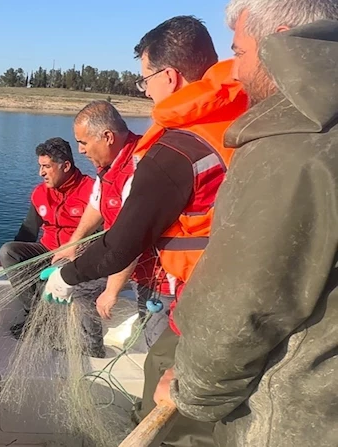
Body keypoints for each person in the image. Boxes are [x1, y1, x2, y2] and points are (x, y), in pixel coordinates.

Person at [41, 16, 249, 446]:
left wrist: (69, 275)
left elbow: (121, 246)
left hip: (204, 296)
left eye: (145, 80)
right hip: (246, 284)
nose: (145, 89)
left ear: (169, 76)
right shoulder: (247, 121)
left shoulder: (174, 151)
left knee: (165, 386)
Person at [153, 6, 338, 446]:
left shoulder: (291, 146)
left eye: (239, 52)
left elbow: (242, 307)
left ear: (283, 39)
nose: (234, 72)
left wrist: (189, 388)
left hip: (296, 418)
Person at [58, 100, 175, 350]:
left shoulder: (141, 167)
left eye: (84, 142)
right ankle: (90, 352)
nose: (79, 150)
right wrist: (72, 244)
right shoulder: (108, 166)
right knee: (79, 288)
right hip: (120, 258)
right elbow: (96, 204)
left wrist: (112, 291)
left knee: (157, 348)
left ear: (107, 137)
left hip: (156, 274)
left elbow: (132, 238)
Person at [0, 137, 107, 356]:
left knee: (64, 267)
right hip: (47, 250)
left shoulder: (92, 191)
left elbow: (105, 234)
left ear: (65, 166)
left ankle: (75, 335)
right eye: (40, 167)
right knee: (8, 252)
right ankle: (38, 315)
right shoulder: (40, 193)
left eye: (46, 166)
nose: (41, 173)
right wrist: (0, 257)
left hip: (77, 256)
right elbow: (29, 229)